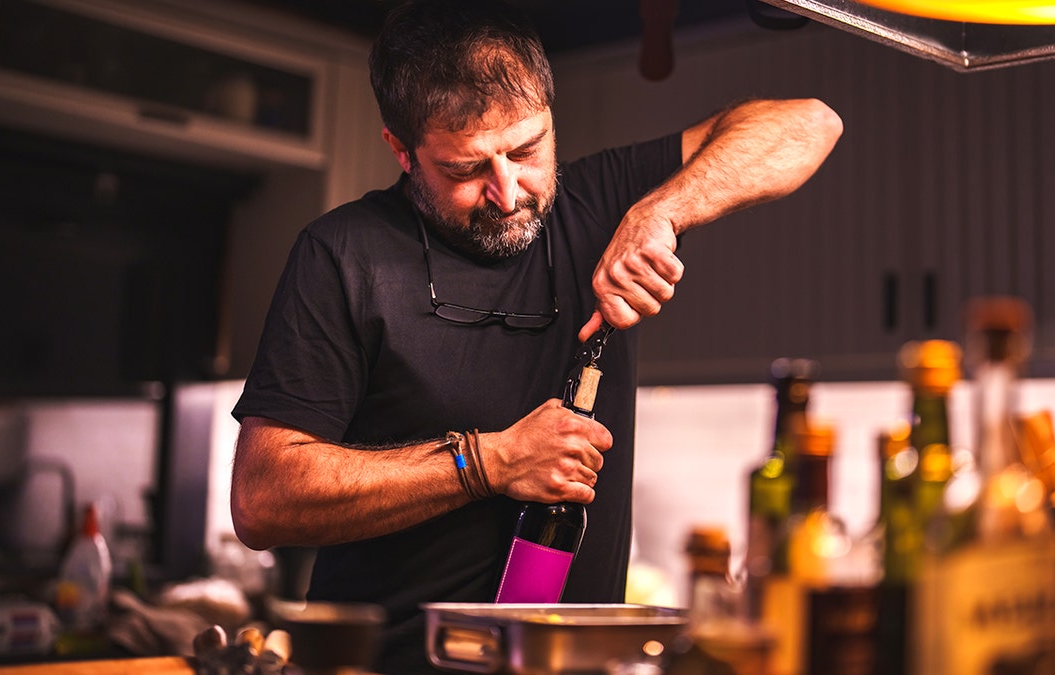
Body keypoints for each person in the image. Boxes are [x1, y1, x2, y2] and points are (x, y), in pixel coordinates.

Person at [230, 0, 842, 672]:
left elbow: (810, 123)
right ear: (401, 151)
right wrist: (488, 462)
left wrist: (663, 211)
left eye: (527, 149)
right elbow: (263, 498)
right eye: (466, 170)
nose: (508, 190)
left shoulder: (599, 203)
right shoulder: (341, 254)